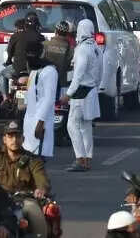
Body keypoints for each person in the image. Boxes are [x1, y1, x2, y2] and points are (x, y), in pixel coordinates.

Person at [0, 120, 50, 233]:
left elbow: (41, 179)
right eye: (10, 136)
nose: (14, 140)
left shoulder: (33, 160)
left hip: (23, 201)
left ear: (23, 139)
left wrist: (41, 189)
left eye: (18, 136)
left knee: (35, 214)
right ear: (4, 139)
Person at [61, 19, 102, 172]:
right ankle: (87, 158)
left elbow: (78, 74)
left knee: (72, 125)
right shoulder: (96, 48)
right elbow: (101, 71)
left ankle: (80, 159)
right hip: (91, 90)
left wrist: (68, 94)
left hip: (80, 91)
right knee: (86, 127)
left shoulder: (82, 49)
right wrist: (96, 85)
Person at [43, 21, 74, 98]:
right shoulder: (70, 49)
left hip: (45, 81)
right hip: (61, 83)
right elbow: (70, 66)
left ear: (55, 31)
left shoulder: (45, 44)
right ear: (67, 34)